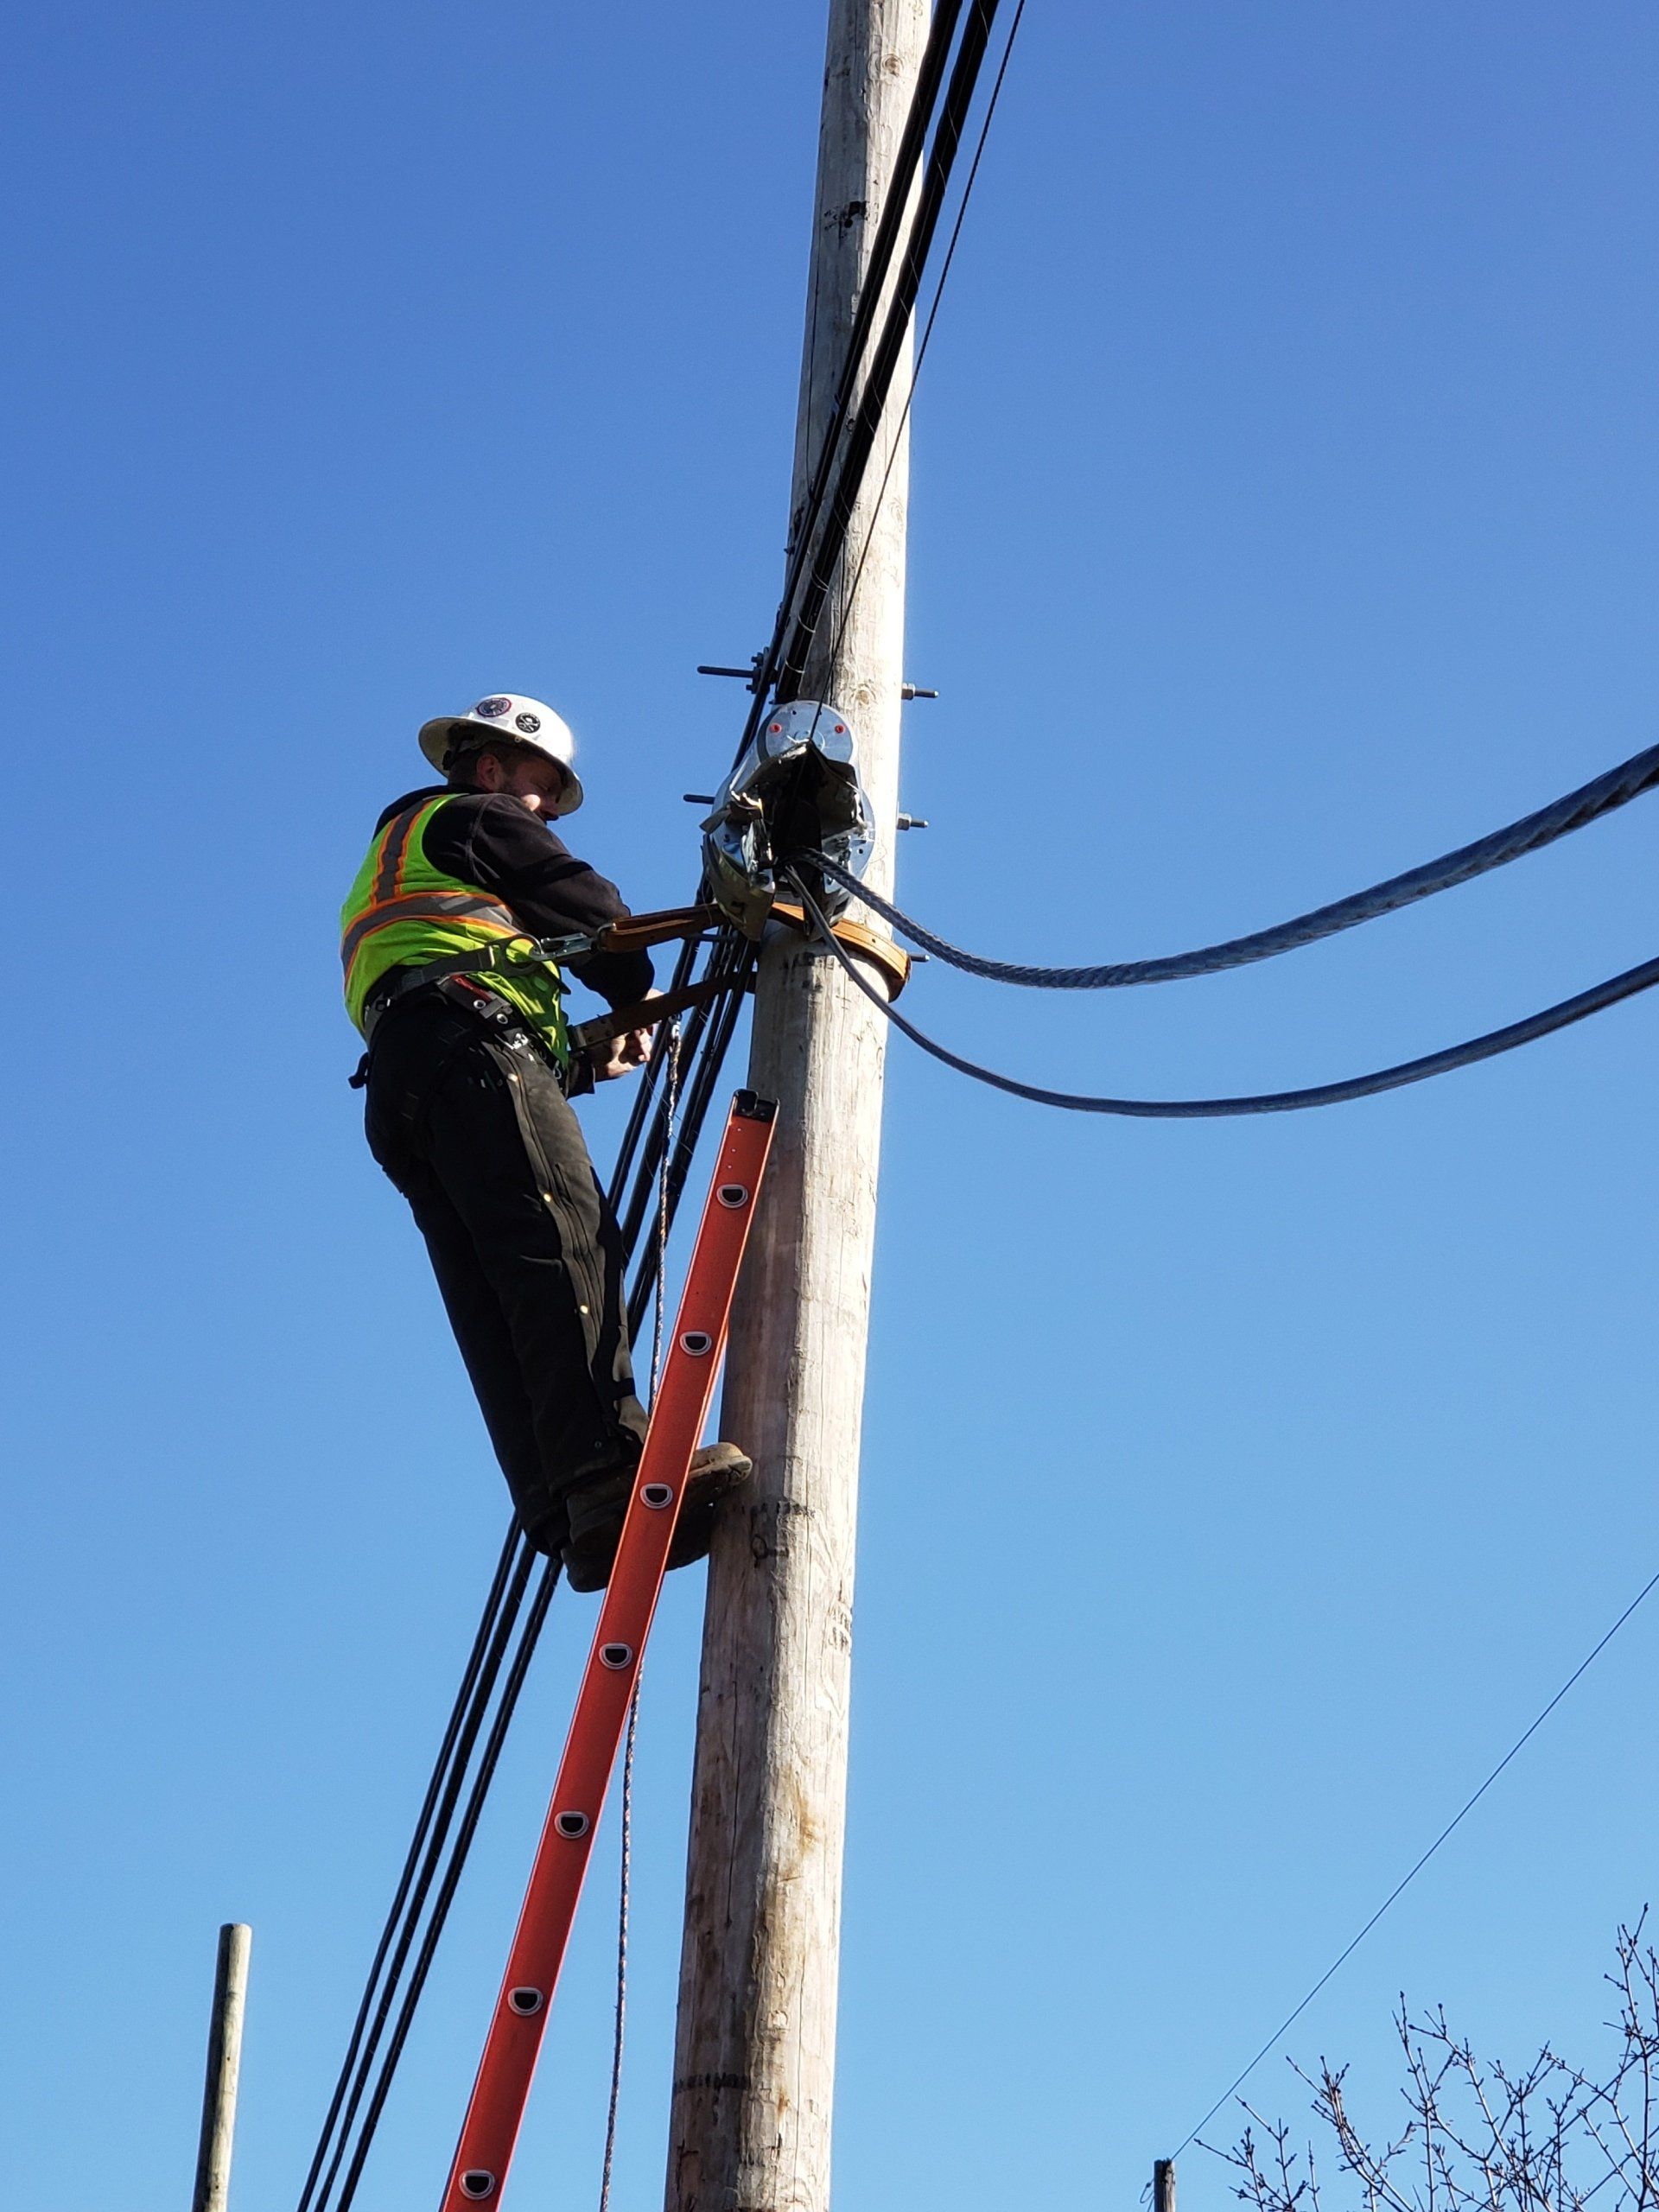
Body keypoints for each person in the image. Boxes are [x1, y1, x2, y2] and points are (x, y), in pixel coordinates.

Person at [340, 691, 748, 1590]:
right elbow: (589, 913)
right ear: (491, 768)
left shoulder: (395, 863)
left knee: (494, 1291)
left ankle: (562, 1504)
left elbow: (454, 990)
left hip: (409, 1079)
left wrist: (581, 1057)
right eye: (539, 791)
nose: (542, 813)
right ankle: (611, 1467)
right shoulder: (474, 816)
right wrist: (631, 986)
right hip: (469, 1048)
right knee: (564, 1240)